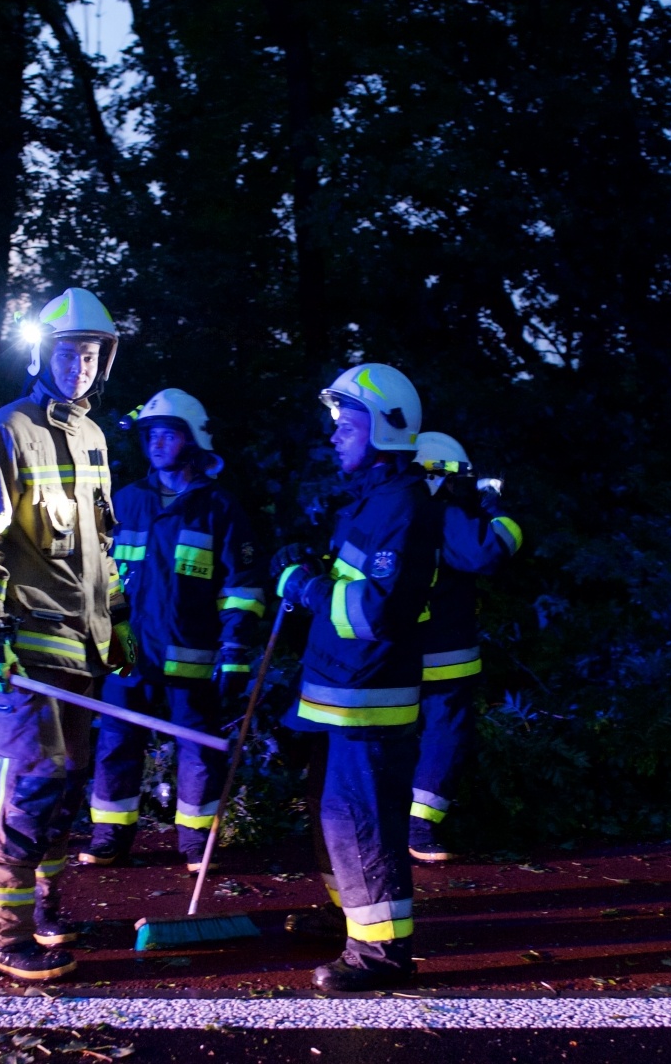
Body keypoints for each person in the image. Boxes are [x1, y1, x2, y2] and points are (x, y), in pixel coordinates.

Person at [0, 287, 135, 982]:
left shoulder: (94, 437)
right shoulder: (6, 429)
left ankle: (42, 909)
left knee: (64, 785)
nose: (78, 366)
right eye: (68, 353)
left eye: (89, 355)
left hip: (82, 651)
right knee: (26, 779)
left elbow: (100, 545)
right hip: (23, 646)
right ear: (41, 355)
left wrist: (118, 624)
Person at [271, 363, 440, 992]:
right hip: (343, 692)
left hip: (368, 699)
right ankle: (352, 920)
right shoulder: (374, 499)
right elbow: (356, 580)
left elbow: (376, 612)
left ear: (387, 427)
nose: (335, 432)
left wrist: (304, 586)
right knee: (336, 816)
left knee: (361, 822)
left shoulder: (402, 505)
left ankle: (381, 954)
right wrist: (311, 565)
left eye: (348, 421)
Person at [78, 389, 265, 872]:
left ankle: (196, 842)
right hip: (128, 649)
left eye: (168, 434)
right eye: (151, 435)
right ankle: (109, 836)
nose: (157, 443)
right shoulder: (125, 502)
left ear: (192, 440)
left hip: (191, 651)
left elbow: (242, 587)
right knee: (116, 742)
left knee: (198, 749)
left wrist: (235, 648)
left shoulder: (218, 508)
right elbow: (98, 575)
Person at [407, 432, 522, 862]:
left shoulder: (395, 509)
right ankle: (419, 828)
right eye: (459, 479)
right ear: (438, 476)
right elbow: (487, 552)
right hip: (444, 651)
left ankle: (387, 822)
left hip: (397, 649)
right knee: (446, 733)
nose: (464, 488)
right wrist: (495, 508)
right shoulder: (446, 514)